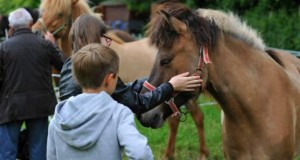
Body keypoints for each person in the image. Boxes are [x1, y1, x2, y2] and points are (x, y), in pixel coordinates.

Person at [59, 14, 202, 115]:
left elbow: (120, 90)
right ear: (93, 37)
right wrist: (170, 87)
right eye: (104, 37)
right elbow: (138, 104)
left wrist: (152, 81)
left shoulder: (69, 64)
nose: (109, 41)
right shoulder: (97, 68)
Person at [48, 43, 154, 160]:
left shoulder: (58, 117)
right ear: (109, 79)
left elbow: (51, 156)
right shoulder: (118, 114)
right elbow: (141, 154)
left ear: (76, 79)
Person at [0, 8, 64, 160]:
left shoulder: (3, 48)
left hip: (10, 107)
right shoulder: (45, 45)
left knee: (7, 152)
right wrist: (53, 45)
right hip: (40, 106)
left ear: (11, 27)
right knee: (39, 151)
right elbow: (65, 66)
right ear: (31, 23)